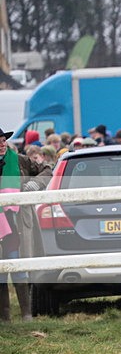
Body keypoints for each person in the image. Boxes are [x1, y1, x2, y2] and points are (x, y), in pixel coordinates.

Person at [0, 126, 52, 321]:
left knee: (20, 267)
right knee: (1, 273)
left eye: (3, 140)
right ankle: (5, 318)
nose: (2, 144)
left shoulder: (20, 160)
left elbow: (47, 169)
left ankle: (27, 315)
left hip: (18, 222)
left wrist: (35, 184)